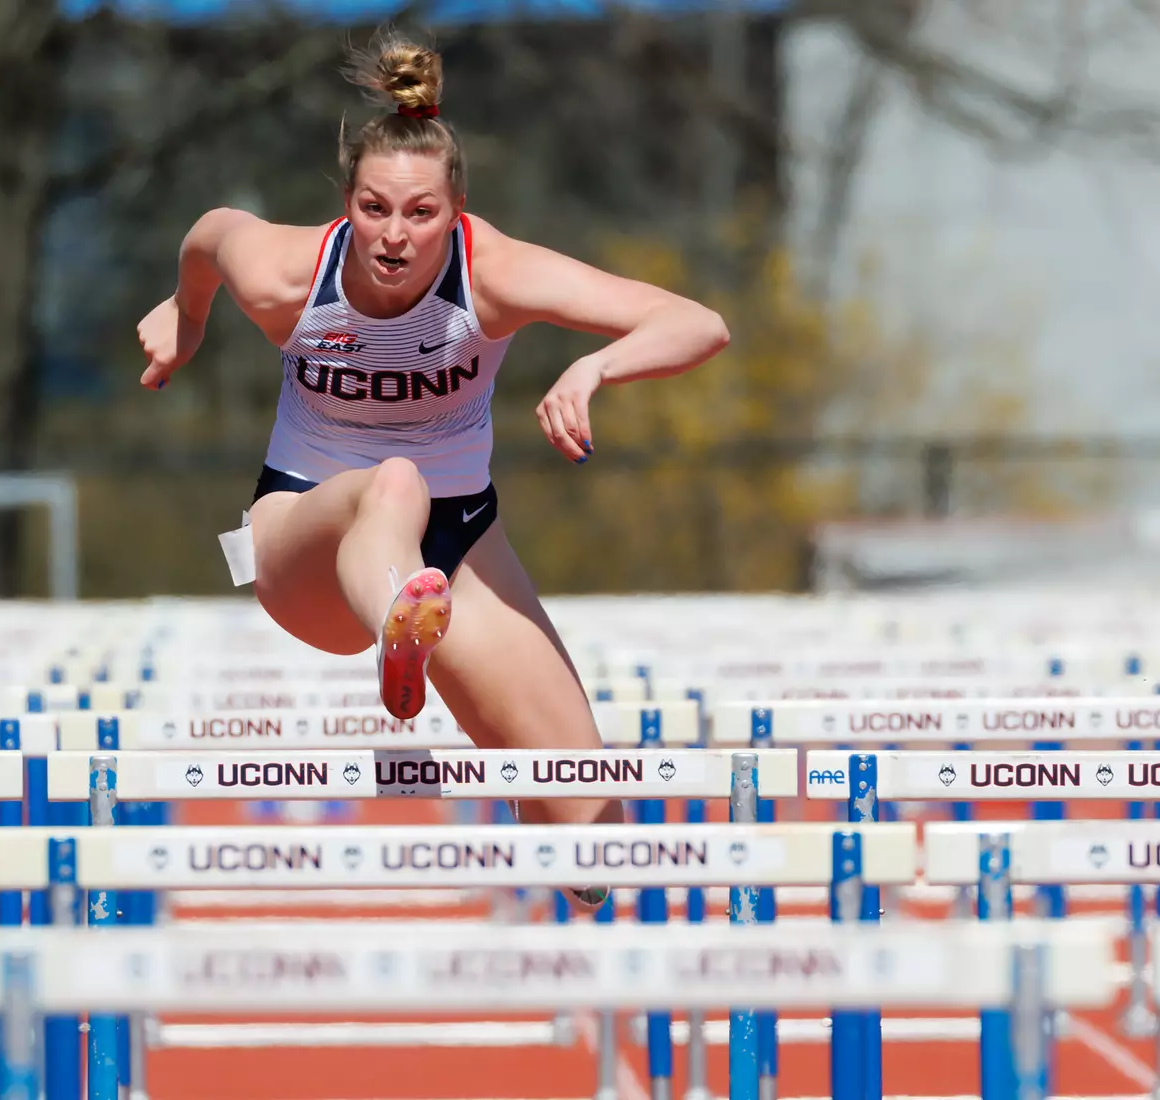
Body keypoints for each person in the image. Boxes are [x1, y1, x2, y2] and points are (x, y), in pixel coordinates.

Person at [136, 30, 729, 908]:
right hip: (301, 531)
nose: (392, 237)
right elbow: (212, 231)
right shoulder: (288, 279)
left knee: (598, 842)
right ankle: (398, 632)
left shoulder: (495, 276)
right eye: (374, 210)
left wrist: (593, 367)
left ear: (456, 212)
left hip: (456, 541)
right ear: (346, 204)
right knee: (392, 485)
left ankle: (440, 655)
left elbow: (697, 323)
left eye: (419, 215)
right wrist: (185, 315)